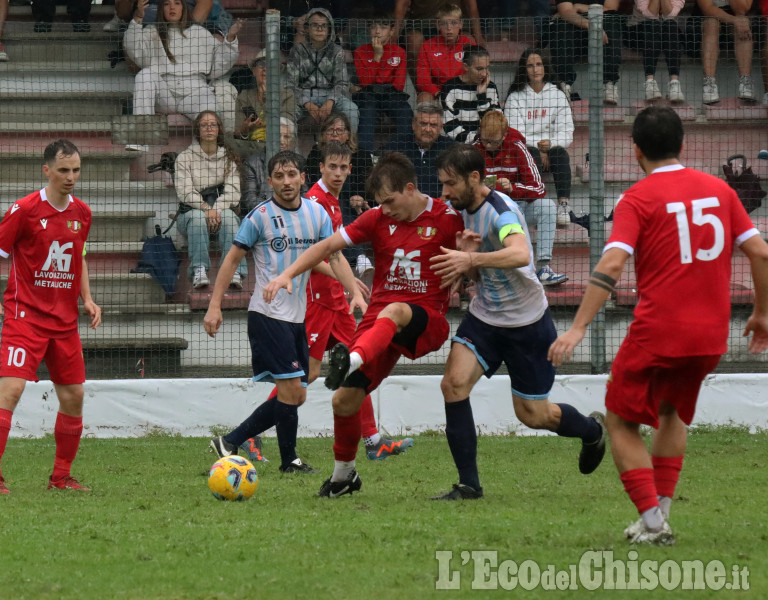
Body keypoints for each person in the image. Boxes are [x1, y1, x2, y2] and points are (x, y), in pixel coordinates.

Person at [548, 106, 768, 544]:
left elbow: (612, 262)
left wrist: (576, 328)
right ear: (683, 144)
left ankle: (651, 521)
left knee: (618, 419)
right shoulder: (720, 192)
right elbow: (760, 253)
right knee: (671, 414)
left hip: (660, 330)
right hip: (711, 334)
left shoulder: (638, 198)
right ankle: (659, 516)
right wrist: (762, 313)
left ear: (635, 151)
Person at [263, 152, 465, 497]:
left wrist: (468, 265)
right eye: (379, 204)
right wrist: (286, 274)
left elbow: (473, 259)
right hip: (379, 327)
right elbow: (326, 246)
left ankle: (350, 359)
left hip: (425, 320)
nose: (385, 210)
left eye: (389, 201)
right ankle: (344, 477)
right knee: (344, 401)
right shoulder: (375, 218)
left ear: (410, 188)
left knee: (396, 311)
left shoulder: (448, 219)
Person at [427, 144, 605, 500]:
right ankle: (469, 485)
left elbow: (521, 252)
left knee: (534, 415)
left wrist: (472, 261)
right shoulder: (458, 209)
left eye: (450, 184)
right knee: (453, 385)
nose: (444, 192)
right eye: (441, 184)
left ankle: (591, 431)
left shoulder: (501, 210)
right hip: (485, 317)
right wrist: (468, 263)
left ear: (474, 179)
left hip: (527, 323)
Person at [240, 143, 414, 463]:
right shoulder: (315, 202)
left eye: (344, 168)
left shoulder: (333, 203)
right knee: (305, 375)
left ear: (350, 169)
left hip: (336, 302)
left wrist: (352, 291)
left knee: (354, 364)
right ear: (320, 169)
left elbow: (331, 254)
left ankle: (373, 440)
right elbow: (312, 257)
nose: (338, 173)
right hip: (316, 301)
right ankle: (252, 435)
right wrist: (341, 281)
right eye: (332, 167)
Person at [205, 150, 367, 474]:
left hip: (296, 317)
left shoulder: (317, 213)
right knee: (292, 390)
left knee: (298, 392)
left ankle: (236, 443)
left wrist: (354, 292)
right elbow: (232, 260)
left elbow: (332, 258)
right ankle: (282, 458)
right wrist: (214, 306)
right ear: (269, 182)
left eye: (292, 174)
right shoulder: (259, 217)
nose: (287, 182)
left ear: (302, 178)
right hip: (267, 315)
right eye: (279, 177)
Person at [0, 139, 102, 495]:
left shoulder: (83, 214)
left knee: (73, 396)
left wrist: (87, 299)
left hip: (64, 323)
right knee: (10, 390)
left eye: (75, 170)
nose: (71, 177)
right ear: (47, 170)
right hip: (24, 317)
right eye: (63, 170)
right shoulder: (24, 210)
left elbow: (80, 258)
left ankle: (61, 478)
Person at [123, 0, 241, 151]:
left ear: (184, 8)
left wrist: (230, 39)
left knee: (210, 109)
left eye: (177, 3)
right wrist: (138, 18)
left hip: (195, 92)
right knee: (144, 75)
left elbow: (219, 64)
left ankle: (205, 152)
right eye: (167, 4)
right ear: (161, 9)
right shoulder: (152, 31)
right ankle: (140, 139)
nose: (172, 7)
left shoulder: (200, 33)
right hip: (165, 94)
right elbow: (133, 48)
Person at [473, 111, 567, 286]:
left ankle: (543, 268)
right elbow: (465, 186)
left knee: (547, 206)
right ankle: (478, 271)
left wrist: (511, 188)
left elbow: (538, 188)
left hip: (518, 206)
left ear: (504, 134)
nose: (488, 145)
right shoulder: (474, 149)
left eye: (493, 141)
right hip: (487, 211)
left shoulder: (517, 147)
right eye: (485, 140)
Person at [174, 110, 246, 289]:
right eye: (204, 125)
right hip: (191, 215)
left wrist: (217, 209)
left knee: (230, 218)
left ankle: (232, 271)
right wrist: (206, 208)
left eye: (213, 125)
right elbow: (185, 192)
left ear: (219, 129)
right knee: (197, 218)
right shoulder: (184, 158)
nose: (208, 129)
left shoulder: (229, 158)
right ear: (197, 130)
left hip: (221, 213)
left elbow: (233, 192)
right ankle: (199, 270)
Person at [504, 48, 575, 227]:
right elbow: (514, 133)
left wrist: (550, 145)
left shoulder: (558, 95)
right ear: (524, 69)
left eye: (539, 64)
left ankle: (563, 206)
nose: (535, 69)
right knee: (531, 153)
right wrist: (538, 147)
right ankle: (535, 203)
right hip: (526, 149)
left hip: (552, 149)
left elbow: (567, 131)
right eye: (530, 65)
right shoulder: (515, 97)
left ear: (545, 67)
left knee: (560, 154)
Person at [286, 7, 359, 132]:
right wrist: (307, 104)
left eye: (324, 26)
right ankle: (291, 150)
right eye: (315, 25)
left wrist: (330, 101)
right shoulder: (297, 50)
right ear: (307, 28)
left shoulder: (337, 51)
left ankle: (348, 149)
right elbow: (290, 84)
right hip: (302, 95)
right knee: (285, 113)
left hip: (331, 95)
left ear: (329, 29)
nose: (320, 29)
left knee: (351, 109)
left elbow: (342, 83)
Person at [352, 14, 413, 153]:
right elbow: (366, 82)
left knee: (407, 114)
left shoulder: (399, 52)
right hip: (369, 95)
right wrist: (377, 57)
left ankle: (386, 151)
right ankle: (365, 157)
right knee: (366, 113)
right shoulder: (360, 52)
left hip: (392, 94)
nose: (377, 31)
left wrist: (379, 78)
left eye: (383, 27)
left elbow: (399, 85)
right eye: (373, 27)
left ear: (392, 31)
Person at [548, 0, 623, 104]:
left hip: (603, 27)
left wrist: (579, 6)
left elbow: (610, 8)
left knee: (612, 21)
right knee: (561, 25)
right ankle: (563, 84)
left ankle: (609, 84)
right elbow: (565, 11)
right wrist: (591, 26)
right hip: (575, 28)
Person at [394, 0, 485, 83]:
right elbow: (402, 6)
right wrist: (393, 37)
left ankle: (464, 91)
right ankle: (423, 91)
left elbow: (471, 7)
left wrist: (479, 37)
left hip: (453, 22)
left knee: (469, 42)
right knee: (414, 41)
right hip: (420, 24)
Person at [383, 101, 456, 200]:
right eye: (423, 124)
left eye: (433, 125)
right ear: (413, 124)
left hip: (439, 207)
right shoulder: (395, 146)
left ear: (441, 128)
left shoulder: (452, 149)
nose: (428, 129)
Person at [232, 49, 297, 150]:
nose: (265, 68)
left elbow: (286, 124)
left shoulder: (287, 95)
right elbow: (237, 132)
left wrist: (267, 97)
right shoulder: (244, 96)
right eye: (261, 64)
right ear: (254, 71)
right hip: (251, 147)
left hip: (279, 146)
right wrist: (245, 129)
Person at [624, 0, 686, 102]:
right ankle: (650, 83)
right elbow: (650, 14)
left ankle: (674, 84)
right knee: (652, 24)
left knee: (671, 26)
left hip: (665, 31)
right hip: (639, 29)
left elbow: (670, 15)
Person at [696, 0, 755, 104]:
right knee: (711, 25)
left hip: (736, 15)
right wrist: (734, 20)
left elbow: (741, 10)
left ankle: (745, 81)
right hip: (708, 16)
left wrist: (737, 20)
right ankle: (709, 83)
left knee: (743, 22)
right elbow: (707, 8)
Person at [415, 3, 476, 103]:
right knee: (423, 98)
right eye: (444, 23)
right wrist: (438, 93)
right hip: (439, 92)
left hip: (464, 90)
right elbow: (422, 80)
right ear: (438, 25)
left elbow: (475, 74)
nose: (449, 28)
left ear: (461, 24)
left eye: (454, 23)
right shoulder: (427, 46)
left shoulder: (469, 44)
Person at [439, 45, 500, 143]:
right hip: (456, 144)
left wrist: (482, 96)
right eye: (479, 69)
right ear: (466, 66)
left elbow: (495, 123)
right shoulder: (450, 87)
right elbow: (449, 125)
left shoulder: (490, 87)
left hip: (486, 144)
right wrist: (475, 140)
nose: (484, 74)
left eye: (487, 68)